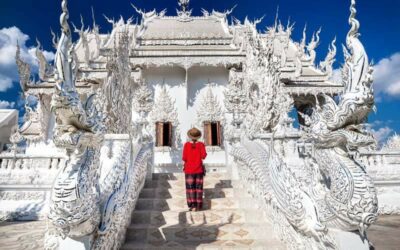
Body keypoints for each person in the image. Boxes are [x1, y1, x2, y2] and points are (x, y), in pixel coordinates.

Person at [182, 127, 207, 211]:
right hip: (199, 169)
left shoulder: (186, 145)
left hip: (189, 170)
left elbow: (184, 158)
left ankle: (192, 205)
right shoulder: (201, 145)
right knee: (198, 188)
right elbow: (204, 156)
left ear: (190, 136)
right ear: (198, 136)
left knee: (190, 188)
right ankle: (198, 206)